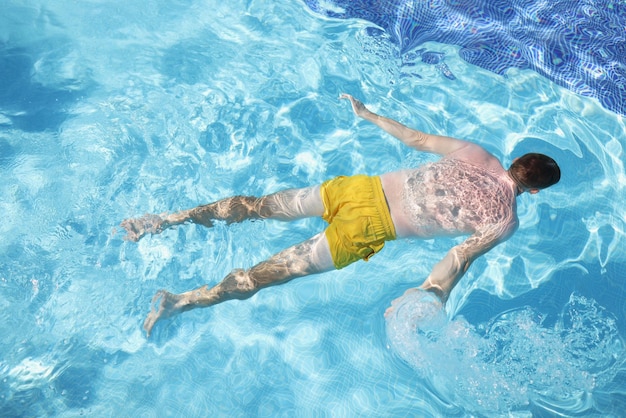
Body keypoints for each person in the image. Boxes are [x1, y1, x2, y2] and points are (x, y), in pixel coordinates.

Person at [121, 94, 561, 337]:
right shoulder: (504, 220)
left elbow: (416, 139)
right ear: (535, 189)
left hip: (359, 189)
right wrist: (432, 294)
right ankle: (180, 301)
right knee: (265, 275)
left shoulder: (477, 152)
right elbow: (459, 259)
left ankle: (163, 219)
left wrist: (367, 114)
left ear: (516, 160)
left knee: (258, 206)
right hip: (368, 231)